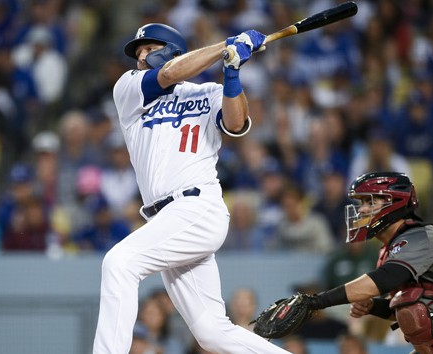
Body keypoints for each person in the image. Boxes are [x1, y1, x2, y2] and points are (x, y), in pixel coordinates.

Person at [92, 23, 291, 354]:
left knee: (119, 263)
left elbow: (236, 123)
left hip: (198, 206)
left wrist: (231, 72)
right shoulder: (128, 88)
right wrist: (222, 47)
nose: (140, 56)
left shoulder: (207, 92)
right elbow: (169, 73)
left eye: (148, 49)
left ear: (172, 48)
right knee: (212, 333)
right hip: (166, 218)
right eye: (138, 51)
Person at [268, 172, 433, 354]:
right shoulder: (389, 248)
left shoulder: (418, 236)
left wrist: (316, 301)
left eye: (370, 202)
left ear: (393, 203)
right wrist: (373, 307)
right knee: (410, 307)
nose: (362, 209)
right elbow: (399, 308)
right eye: (361, 203)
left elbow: (392, 287)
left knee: (415, 309)